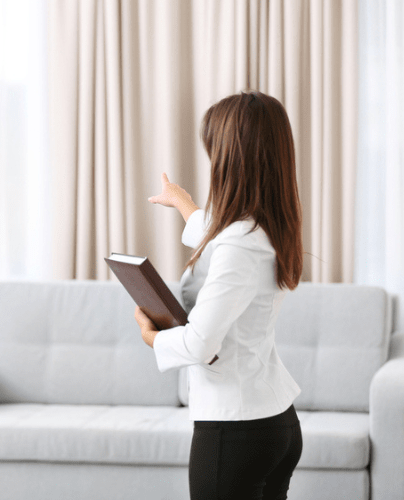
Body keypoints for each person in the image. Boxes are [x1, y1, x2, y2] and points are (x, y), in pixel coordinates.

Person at [135, 91, 304, 500]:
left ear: (232, 159)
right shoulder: (266, 228)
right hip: (274, 422)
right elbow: (225, 243)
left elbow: (199, 343)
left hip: (236, 431)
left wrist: (152, 336)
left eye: (214, 151)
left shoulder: (240, 244)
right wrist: (186, 205)